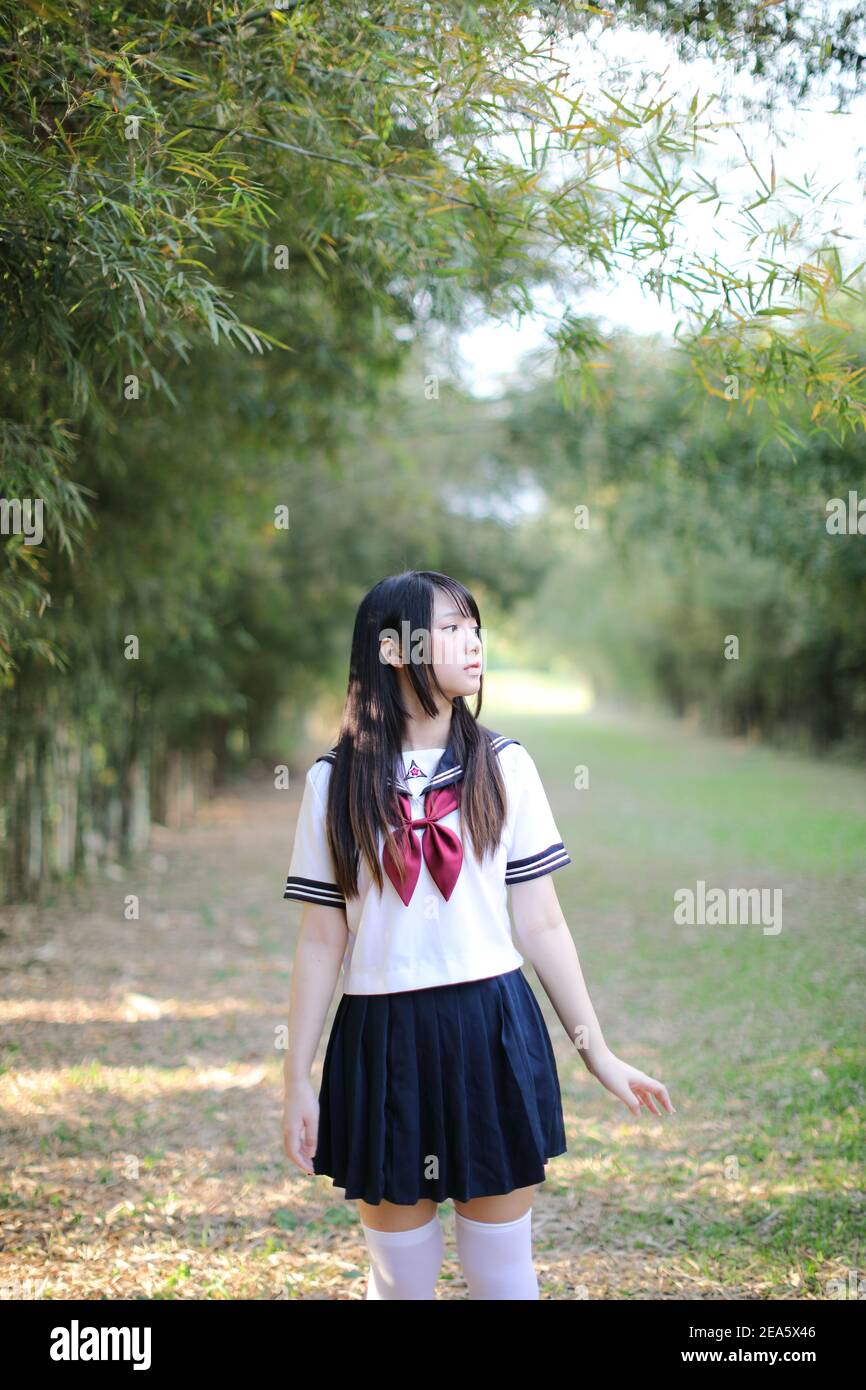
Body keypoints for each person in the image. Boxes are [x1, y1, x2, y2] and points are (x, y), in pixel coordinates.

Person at [282, 569, 674, 1299]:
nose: (475, 642)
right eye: (453, 628)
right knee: (399, 1282)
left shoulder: (505, 766)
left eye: (475, 626)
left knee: (501, 1272)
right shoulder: (333, 783)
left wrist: (599, 1053)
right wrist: (295, 1076)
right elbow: (320, 940)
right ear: (395, 649)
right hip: (380, 1035)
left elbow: (543, 921)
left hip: (489, 1027)